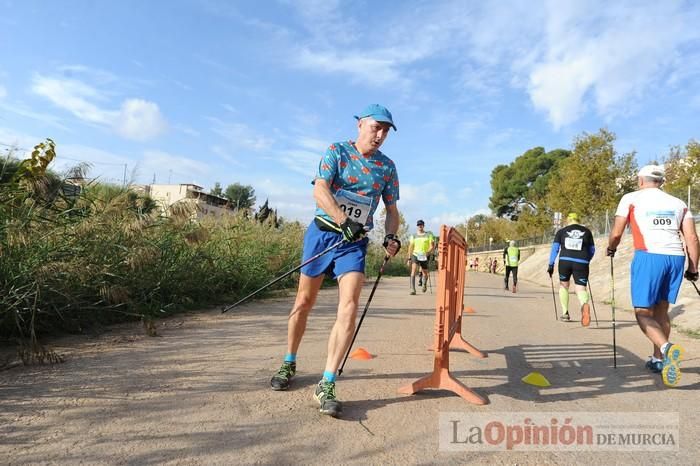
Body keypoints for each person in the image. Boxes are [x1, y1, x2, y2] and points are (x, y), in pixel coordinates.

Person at [269, 104, 402, 417]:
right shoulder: (337, 151)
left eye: (386, 130)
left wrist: (391, 237)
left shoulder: (387, 167)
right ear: (360, 125)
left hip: (352, 245)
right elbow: (320, 190)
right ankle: (289, 362)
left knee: (350, 306)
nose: (380, 135)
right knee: (303, 302)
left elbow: (392, 211)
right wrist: (343, 218)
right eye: (376, 127)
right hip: (323, 234)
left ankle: (326, 382)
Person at [607, 164, 699, 387]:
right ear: (662, 182)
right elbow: (693, 239)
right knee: (661, 311)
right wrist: (693, 268)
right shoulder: (679, 203)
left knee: (642, 313)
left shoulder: (631, 198)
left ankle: (667, 349)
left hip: (649, 256)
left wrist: (611, 248)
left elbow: (617, 232)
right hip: (675, 257)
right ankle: (657, 359)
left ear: (640, 180)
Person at [547, 212, 595, 325]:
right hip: (582, 262)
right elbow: (592, 250)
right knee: (581, 288)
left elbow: (555, 249)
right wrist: (587, 260)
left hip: (565, 261)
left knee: (564, 285)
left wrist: (551, 264)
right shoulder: (587, 232)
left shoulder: (561, 232)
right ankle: (584, 304)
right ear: (578, 219)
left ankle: (565, 313)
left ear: (568, 220)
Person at [406, 219, 435, 294]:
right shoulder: (413, 235)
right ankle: (413, 290)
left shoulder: (429, 234)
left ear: (423, 226)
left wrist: (428, 252)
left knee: (425, 273)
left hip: (424, 255)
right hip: (415, 254)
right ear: (417, 226)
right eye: (418, 225)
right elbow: (410, 247)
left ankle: (424, 284)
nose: (420, 226)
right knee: (414, 270)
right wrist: (409, 258)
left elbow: (432, 246)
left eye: (421, 225)